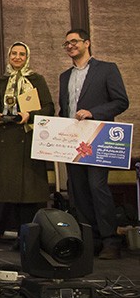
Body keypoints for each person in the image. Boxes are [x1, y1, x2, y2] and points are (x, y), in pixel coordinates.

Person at [59, 29, 129, 260]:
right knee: (78, 190)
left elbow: (121, 101)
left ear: (87, 43)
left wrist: (93, 112)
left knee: (97, 187)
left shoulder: (107, 69)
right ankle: (92, 240)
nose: (70, 46)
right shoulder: (64, 76)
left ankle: (111, 241)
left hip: (98, 139)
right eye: (67, 43)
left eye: (74, 41)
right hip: (73, 142)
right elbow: (64, 110)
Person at [0, 42, 54, 245]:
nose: (17, 57)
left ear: (27, 57)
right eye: (14, 54)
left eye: (22, 54)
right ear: (9, 56)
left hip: (30, 139)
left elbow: (49, 108)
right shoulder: (2, 81)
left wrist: (29, 115)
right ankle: (9, 232)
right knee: (8, 188)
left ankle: (30, 235)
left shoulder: (36, 80)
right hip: (6, 141)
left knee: (29, 190)